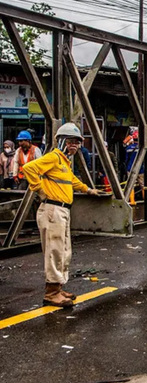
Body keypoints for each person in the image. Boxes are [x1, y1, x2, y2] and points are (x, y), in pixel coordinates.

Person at [22, 122, 100, 307]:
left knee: (64, 251)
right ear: (61, 141)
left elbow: (71, 180)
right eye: (71, 141)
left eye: (77, 142)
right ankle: (51, 293)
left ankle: (58, 287)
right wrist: (40, 190)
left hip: (62, 210)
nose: (74, 145)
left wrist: (88, 190)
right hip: (52, 210)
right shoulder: (53, 157)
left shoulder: (64, 162)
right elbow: (29, 169)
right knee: (54, 251)